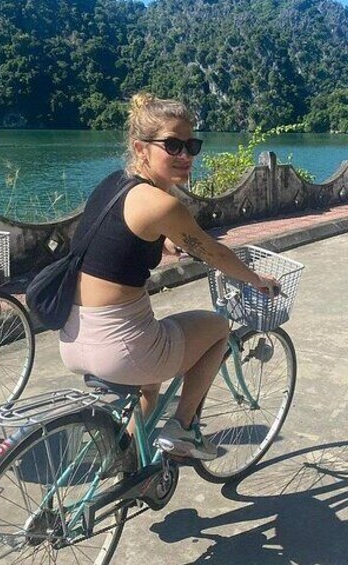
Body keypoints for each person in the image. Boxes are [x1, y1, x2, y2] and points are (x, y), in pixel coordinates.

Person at [59, 92, 280, 460]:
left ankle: (129, 462)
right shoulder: (163, 203)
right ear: (141, 148)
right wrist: (256, 279)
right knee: (218, 328)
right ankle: (184, 429)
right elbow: (215, 253)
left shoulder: (113, 184)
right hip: (122, 348)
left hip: (73, 337)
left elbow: (115, 238)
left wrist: (161, 240)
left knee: (151, 384)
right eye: (173, 145)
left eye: (192, 146)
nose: (185, 156)